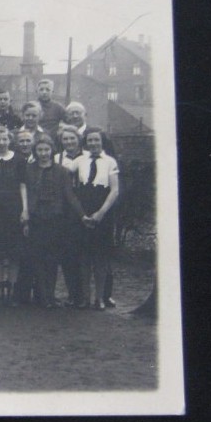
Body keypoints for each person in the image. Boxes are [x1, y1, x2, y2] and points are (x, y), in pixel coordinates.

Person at [22, 134, 86, 308]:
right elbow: (25, 192)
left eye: (46, 150)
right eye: (40, 150)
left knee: (51, 259)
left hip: (55, 218)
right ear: (35, 151)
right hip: (35, 218)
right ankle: (42, 297)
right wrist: (26, 216)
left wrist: (82, 215)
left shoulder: (61, 171)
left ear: (52, 151)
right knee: (37, 258)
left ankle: (49, 296)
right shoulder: (29, 169)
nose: (43, 153)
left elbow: (69, 195)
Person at [75, 128, 120, 310]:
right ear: (86, 143)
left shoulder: (110, 161)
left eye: (97, 140)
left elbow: (115, 190)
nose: (93, 144)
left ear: (102, 142)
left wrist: (101, 213)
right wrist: (82, 215)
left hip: (103, 212)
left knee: (100, 258)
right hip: (83, 212)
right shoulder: (80, 160)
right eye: (90, 141)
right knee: (84, 258)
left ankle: (100, 298)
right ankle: (86, 297)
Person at [0, 126, 27, 306]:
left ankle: (11, 291)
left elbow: (23, 186)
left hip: (13, 209)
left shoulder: (18, 160)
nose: (1, 143)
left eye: (5, 139)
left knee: (14, 253)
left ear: (10, 141)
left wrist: (24, 209)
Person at [55, 124, 88, 306]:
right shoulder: (57, 158)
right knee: (68, 253)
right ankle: (73, 294)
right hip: (65, 210)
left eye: (72, 138)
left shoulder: (87, 157)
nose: (69, 142)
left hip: (85, 206)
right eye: (65, 139)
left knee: (85, 253)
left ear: (78, 139)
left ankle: (90, 296)